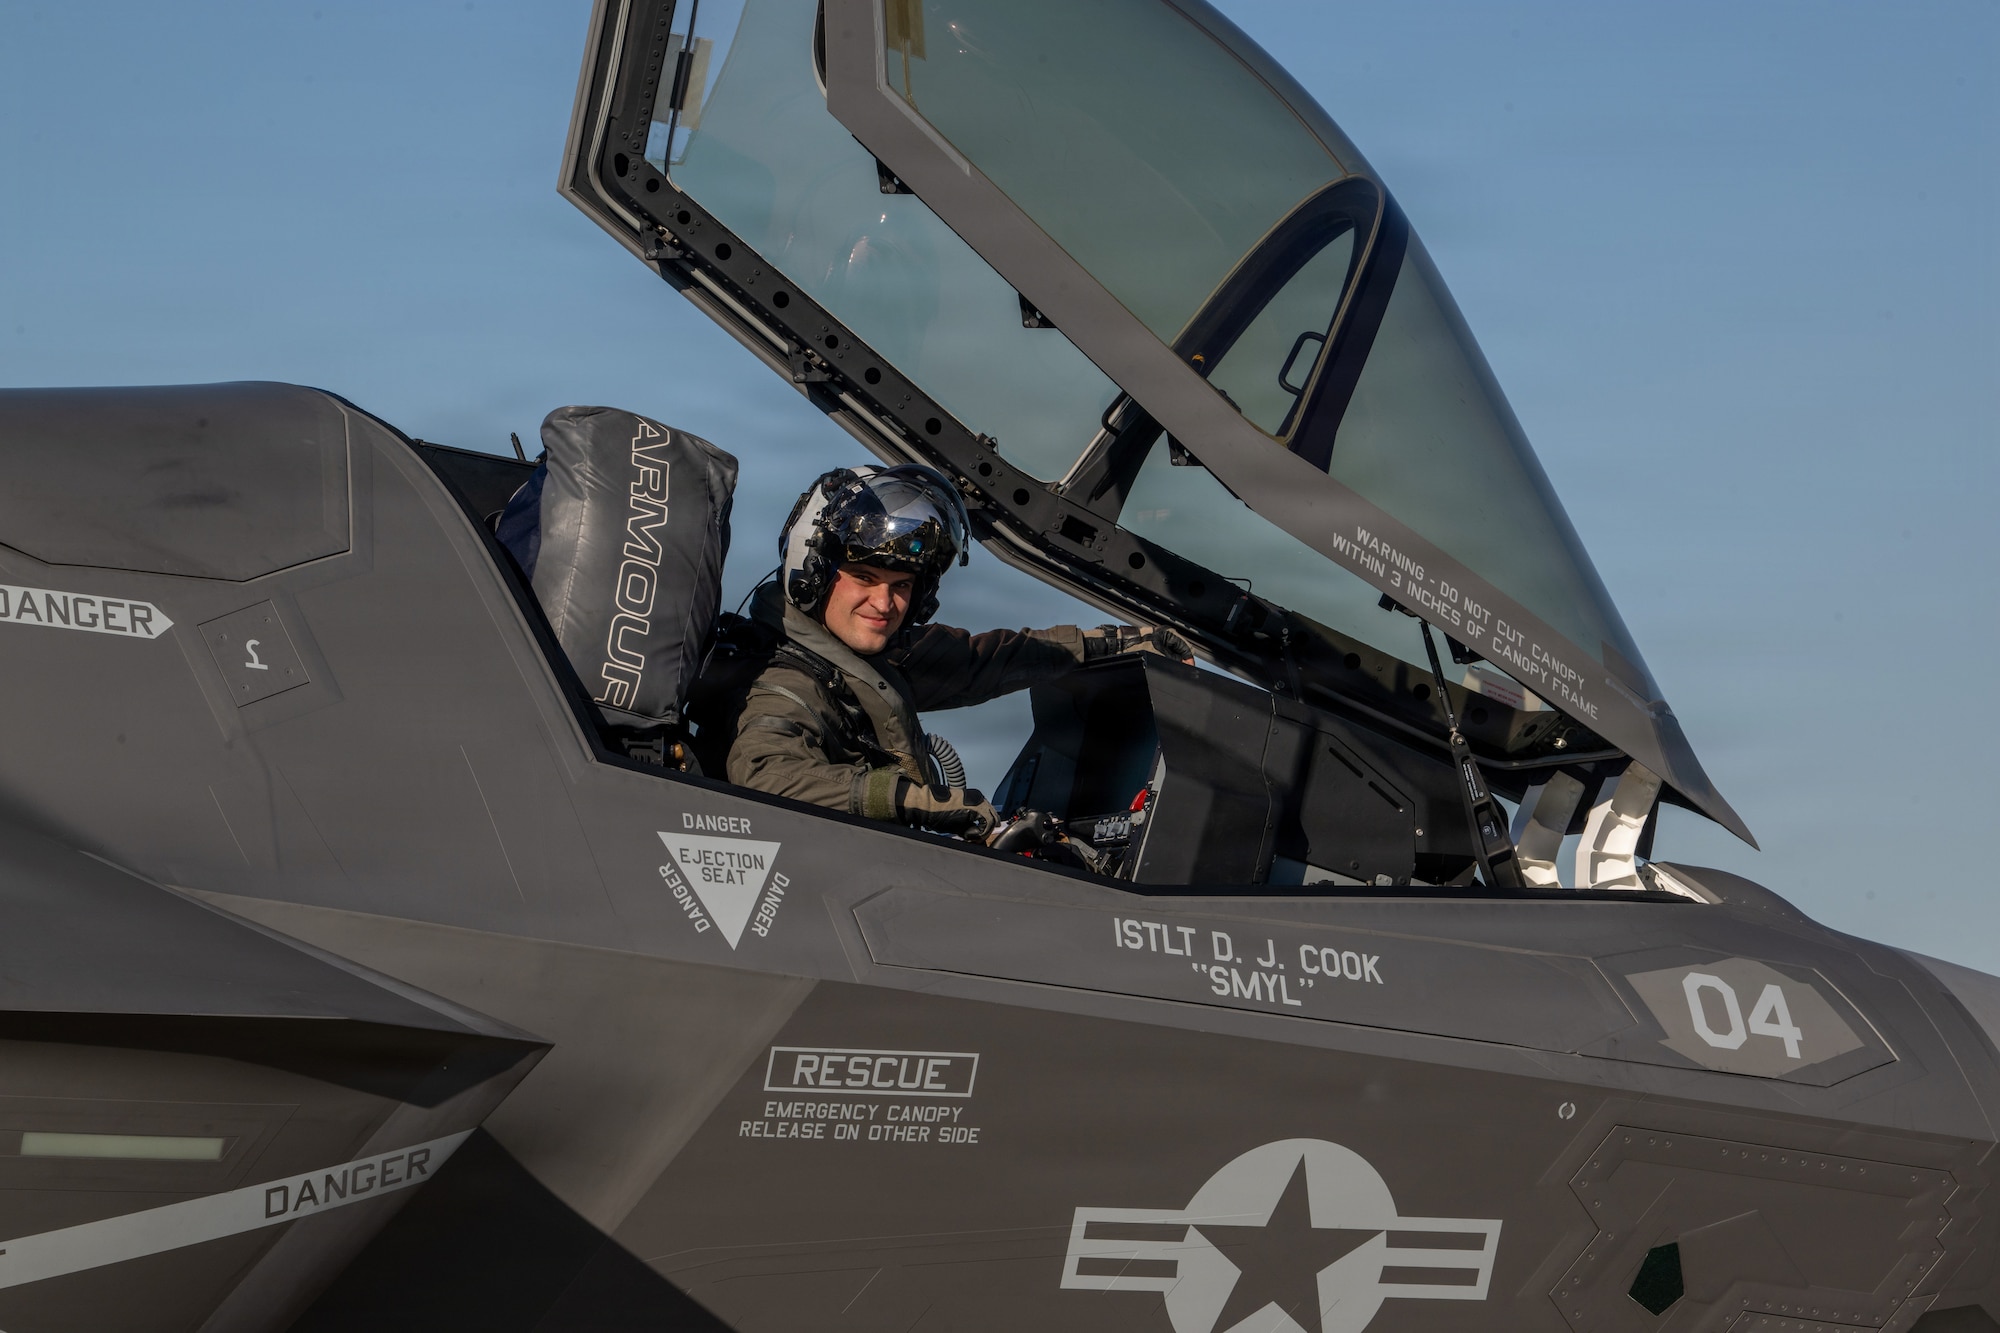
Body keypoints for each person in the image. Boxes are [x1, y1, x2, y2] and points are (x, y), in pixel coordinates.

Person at [712, 465, 1186, 840]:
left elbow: (989, 659)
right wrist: (920, 801)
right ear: (814, 573)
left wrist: (1121, 642)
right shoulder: (781, 682)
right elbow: (766, 774)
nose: (884, 604)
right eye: (865, 579)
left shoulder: (872, 657)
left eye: (901, 586)